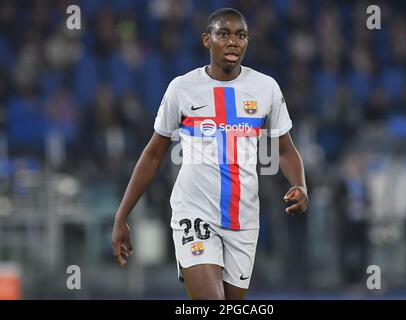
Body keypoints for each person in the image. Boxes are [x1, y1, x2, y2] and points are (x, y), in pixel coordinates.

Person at [111, 8, 308, 300]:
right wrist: (122, 215)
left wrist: (300, 185)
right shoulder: (182, 89)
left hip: (244, 219)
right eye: (223, 34)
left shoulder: (265, 88)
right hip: (195, 212)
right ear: (207, 40)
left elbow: (285, 149)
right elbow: (154, 154)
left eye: (240, 35)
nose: (232, 42)